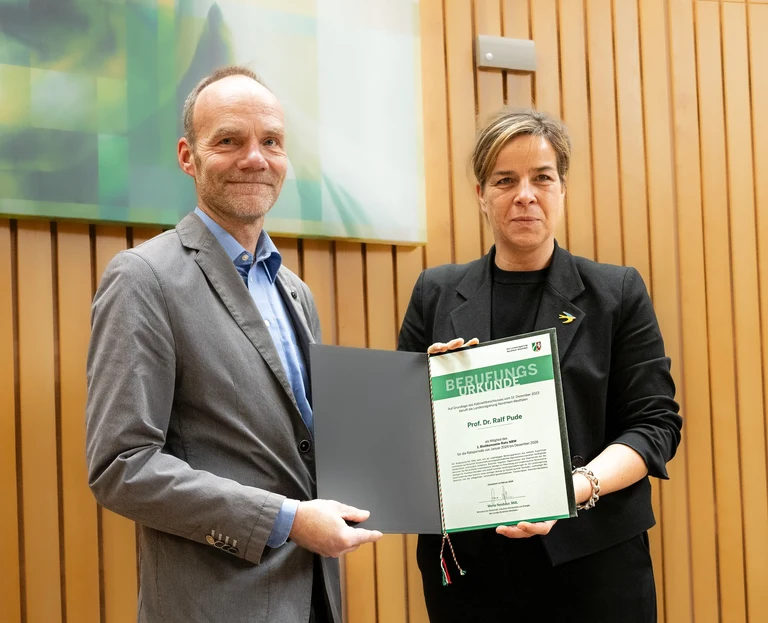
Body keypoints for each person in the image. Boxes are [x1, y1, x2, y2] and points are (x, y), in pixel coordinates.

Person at [85, 66, 382, 623]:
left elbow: (308, 447)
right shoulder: (142, 278)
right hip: (215, 604)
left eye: (271, 141)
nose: (255, 158)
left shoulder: (295, 292)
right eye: (229, 140)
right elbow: (122, 466)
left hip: (316, 597)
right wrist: (287, 519)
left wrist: (431, 391)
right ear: (187, 155)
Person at [398, 108, 682, 622]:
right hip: (470, 575)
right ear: (481, 194)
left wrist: (573, 490)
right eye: (505, 180)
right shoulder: (435, 293)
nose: (524, 194)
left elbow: (655, 425)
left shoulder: (616, 292)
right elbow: (400, 434)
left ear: (562, 189)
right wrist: (425, 394)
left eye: (542, 178)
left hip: (594, 567)